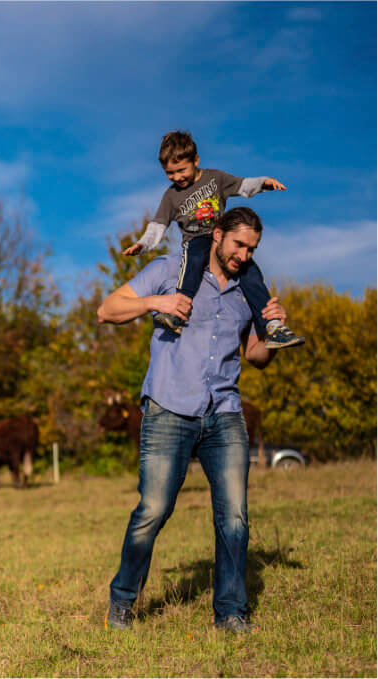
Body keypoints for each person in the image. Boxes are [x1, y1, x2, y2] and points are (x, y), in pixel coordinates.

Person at [97, 206, 287, 634]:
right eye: (238, 244)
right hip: (168, 409)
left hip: (223, 414)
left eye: (251, 249)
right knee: (154, 509)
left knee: (235, 517)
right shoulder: (172, 268)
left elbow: (255, 358)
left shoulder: (248, 290)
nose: (243, 255)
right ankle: (123, 600)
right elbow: (106, 310)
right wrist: (155, 301)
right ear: (216, 235)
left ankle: (232, 613)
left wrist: (273, 331)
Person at [123, 130, 304, 349]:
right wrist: (143, 244)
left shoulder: (215, 178)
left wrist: (263, 183)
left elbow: (242, 185)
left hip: (221, 239)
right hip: (196, 240)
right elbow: (159, 224)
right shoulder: (171, 196)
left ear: (196, 160)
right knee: (195, 259)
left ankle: (273, 326)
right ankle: (178, 315)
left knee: (251, 273)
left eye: (181, 170)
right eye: (170, 173)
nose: (177, 177)